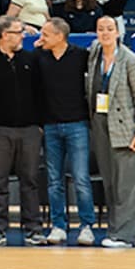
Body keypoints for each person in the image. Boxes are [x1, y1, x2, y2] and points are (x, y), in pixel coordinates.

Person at [0, 15, 47, 246]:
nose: (23, 36)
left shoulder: (30, 58)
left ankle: (33, 228)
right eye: (18, 32)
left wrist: (39, 125)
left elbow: (40, 92)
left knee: (30, 181)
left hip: (29, 129)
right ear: (4, 35)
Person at [87, 15, 135, 248]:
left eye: (109, 29)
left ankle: (128, 236)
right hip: (102, 124)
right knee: (111, 183)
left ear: (118, 32)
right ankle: (115, 232)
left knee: (128, 185)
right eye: (101, 29)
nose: (104, 33)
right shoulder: (94, 54)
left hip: (127, 127)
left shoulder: (131, 61)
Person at [35, 17, 96, 246]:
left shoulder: (80, 56)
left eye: (46, 34)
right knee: (54, 180)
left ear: (60, 36)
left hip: (77, 124)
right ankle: (58, 225)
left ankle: (86, 226)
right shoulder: (40, 56)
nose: (41, 38)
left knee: (81, 178)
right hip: (50, 126)